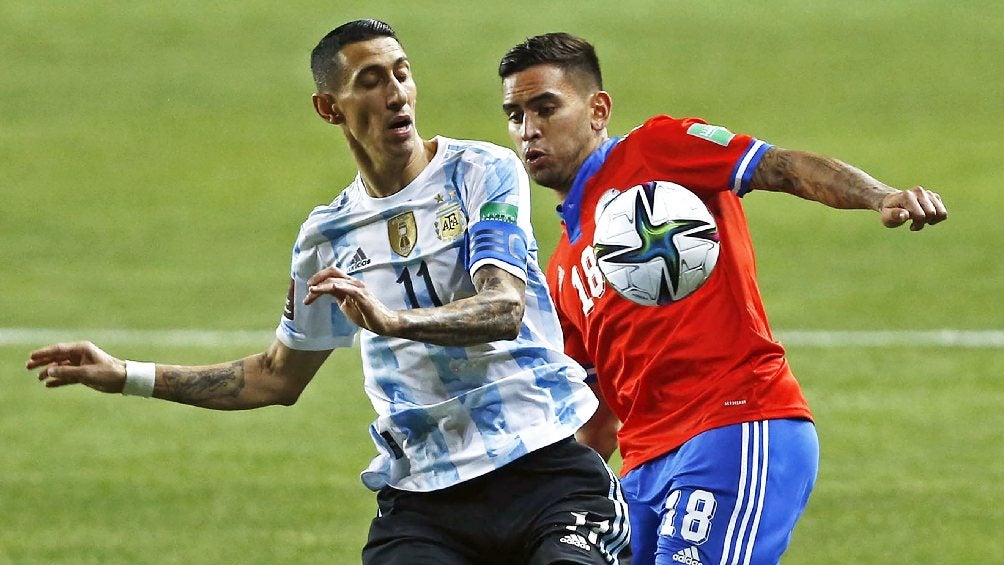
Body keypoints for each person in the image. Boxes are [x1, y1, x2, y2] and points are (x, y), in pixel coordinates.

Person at [26, 21, 632, 565]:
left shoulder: (482, 172)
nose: (395, 94)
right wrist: (125, 374)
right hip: (426, 500)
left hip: (545, 468)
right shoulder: (328, 235)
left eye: (402, 73)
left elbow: (502, 309)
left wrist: (394, 322)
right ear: (329, 107)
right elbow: (274, 377)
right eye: (370, 81)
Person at [497, 32, 946, 565]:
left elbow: (778, 166)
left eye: (546, 108)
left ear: (598, 110)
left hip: (735, 424)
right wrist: (549, 509)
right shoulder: (564, 267)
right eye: (515, 115)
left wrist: (881, 197)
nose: (529, 131)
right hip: (641, 472)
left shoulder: (657, 151)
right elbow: (595, 419)